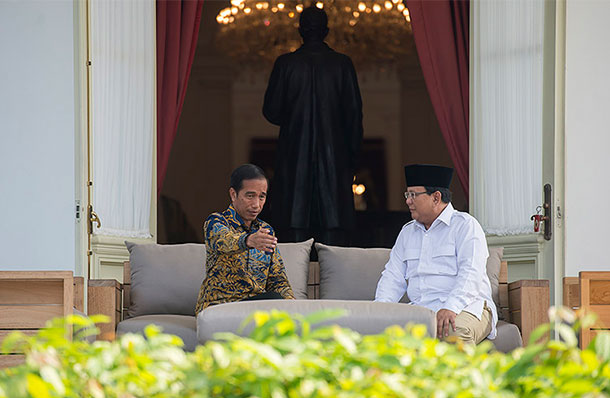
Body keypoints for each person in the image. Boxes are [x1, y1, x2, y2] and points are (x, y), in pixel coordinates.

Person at [262, 6, 363, 246]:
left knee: (294, 233)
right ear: (326, 31)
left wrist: (295, 117)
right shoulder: (342, 64)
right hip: (334, 160)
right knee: (333, 239)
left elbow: (271, 111)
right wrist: (352, 160)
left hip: (294, 158)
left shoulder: (286, 64)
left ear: (300, 31)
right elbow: (354, 118)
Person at [375, 164, 497, 345]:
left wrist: (451, 307)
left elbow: (471, 274)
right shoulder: (407, 232)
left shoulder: (465, 225)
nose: (408, 201)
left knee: (452, 331)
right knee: (384, 336)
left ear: (436, 197)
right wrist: (379, 311)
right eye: (407, 195)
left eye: (413, 195)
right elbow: (392, 277)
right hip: (422, 310)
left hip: (468, 306)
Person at [195, 164, 294, 314]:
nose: (256, 205)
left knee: (280, 301)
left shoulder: (266, 230)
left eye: (262, 197)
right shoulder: (216, 222)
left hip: (254, 309)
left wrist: (293, 306)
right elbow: (224, 241)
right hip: (218, 308)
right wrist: (248, 240)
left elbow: (278, 280)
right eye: (250, 196)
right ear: (233, 194)